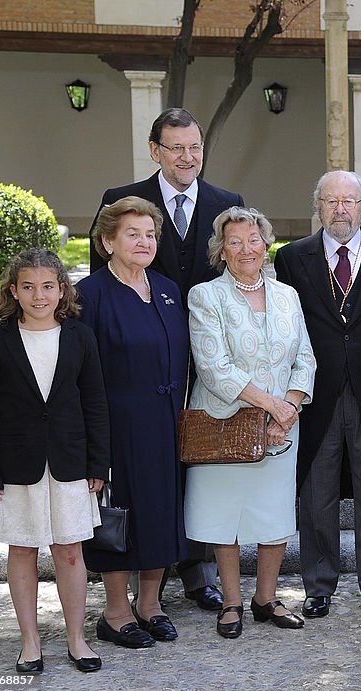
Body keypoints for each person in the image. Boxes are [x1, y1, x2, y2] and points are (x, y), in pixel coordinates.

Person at [90, 107, 245, 611]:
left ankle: (197, 570)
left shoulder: (228, 202)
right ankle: (129, 586)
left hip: (207, 361)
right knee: (143, 474)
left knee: (197, 467)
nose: (187, 157)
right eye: (175, 147)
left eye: (194, 146)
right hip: (135, 362)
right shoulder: (121, 202)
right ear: (155, 150)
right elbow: (102, 291)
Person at [0, 248, 108, 674]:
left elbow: (95, 403)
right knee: (23, 549)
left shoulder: (80, 336)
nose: (38, 295)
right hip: (16, 465)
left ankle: (76, 638)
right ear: (13, 291)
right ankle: (30, 642)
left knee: (70, 551)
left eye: (48, 286)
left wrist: (98, 463)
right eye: (28, 287)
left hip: (70, 461)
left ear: (62, 289)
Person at [274, 171, 361, 620]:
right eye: (331, 201)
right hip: (314, 389)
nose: (341, 209)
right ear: (319, 206)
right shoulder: (292, 258)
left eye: (349, 201)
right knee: (317, 488)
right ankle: (319, 584)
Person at [186, 206, 316, 639]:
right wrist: (271, 407)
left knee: (274, 512)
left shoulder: (287, 295)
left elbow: (306, 358)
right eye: (235, 241)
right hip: (225, 423)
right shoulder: (206, 296)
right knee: (225, 515)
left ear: (266, 244)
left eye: (254, 240)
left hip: (283, 427)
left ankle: (266, 597)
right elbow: (214, 367)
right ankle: (231, 601)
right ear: (221, 251)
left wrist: (290, 407)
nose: (246, 249)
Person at [78, 197, 189, 649]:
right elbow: (81, 372)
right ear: (108, 241)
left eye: (150, 234)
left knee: (160, 511)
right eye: (132, 234)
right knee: (118, 516)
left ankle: (151, 604)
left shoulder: (166, 288)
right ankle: (115, 611)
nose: (145, 242)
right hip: (116, 425)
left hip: (165, 423)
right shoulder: (89, 295)